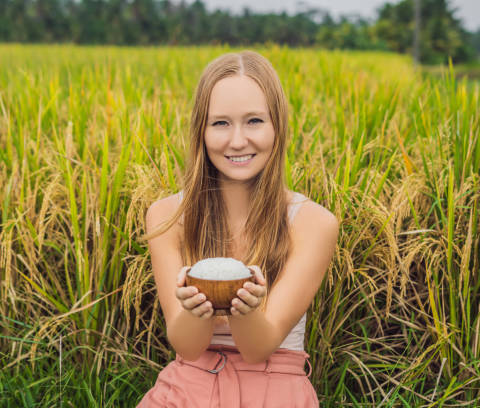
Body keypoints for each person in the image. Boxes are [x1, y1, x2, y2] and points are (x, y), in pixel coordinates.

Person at [137, 50, 339, 407]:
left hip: (275, 387)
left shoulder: (313, 223)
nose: (238, 140)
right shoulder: (168, 216)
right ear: (201, 130)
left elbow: (259, 348)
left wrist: (246, 310)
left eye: (255, 121)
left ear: (278, 125)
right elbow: (186, 345)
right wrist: (194, 310)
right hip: (189, 387)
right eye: (221, 123)